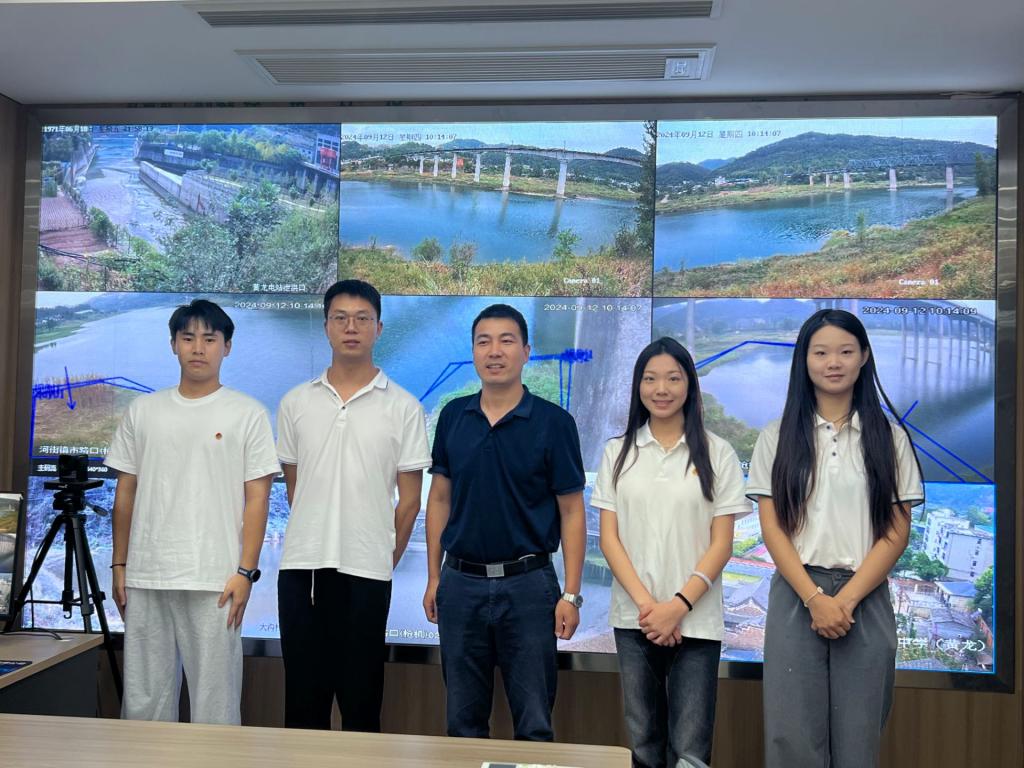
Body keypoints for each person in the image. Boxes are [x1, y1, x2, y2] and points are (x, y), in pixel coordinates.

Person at [746, 308, 924, 768]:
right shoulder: (776, 436)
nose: (833, 362)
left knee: (858, 740)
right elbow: (772, 527)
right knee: (791, 739)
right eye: (821, 352)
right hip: (796, 595)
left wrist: (844, 601)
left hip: (865, 596)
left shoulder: (890, 438)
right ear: (804, 360)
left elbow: (896, 530)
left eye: (845, 351)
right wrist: (814, 598)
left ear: (863, 356)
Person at [107, 299, 280, 725]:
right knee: (144, 701)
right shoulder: (143, 411)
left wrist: (245, 572)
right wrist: (119, 564)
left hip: (215, 579)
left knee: (215, 703)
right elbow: (125, 493)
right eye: (188, 338)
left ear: (227, 347)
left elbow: (258, 498)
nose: (198, 348)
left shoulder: (248, 413)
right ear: (173, 345)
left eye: (209, 339)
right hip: (147, 575)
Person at [422, 303, 586, 741]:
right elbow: (439, 498)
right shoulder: (453, 416)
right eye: (484, 342)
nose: (494, 351)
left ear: (526, 351)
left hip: (529, 587)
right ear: (474, 352)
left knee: (534, 724)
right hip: (461, 585)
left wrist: (571, 594)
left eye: (506, 341)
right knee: (462, 724)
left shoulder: (555, 423)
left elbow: (572, 511)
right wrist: (434, 577)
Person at [276, 279, 430, 732]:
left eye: (362, 319)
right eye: (340, 318)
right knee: (303, 703)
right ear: (326, 326)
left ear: (378, 328)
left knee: (361, 703)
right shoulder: (296, 402)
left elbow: (410, 501)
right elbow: (294, 487)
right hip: (302, 568)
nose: (351, 327)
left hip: (367, 572)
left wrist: (383, 556)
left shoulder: (403, 406)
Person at [592, 337, 748, 767]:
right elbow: (609, 540)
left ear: (689, 385)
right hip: (635, 620)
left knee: (691, 750)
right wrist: (650, 608)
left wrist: (677, 606)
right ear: (638, 386)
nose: (661, 389)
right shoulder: (617, 452)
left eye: (673, 378)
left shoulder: (718, 452)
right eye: (650, 378)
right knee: (644, 743)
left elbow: (722, 543)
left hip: (696, 620)